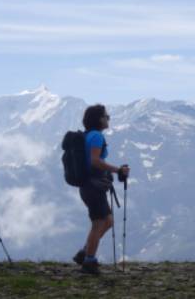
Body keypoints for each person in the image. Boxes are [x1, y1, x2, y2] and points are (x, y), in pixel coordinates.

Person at [73, 104, 129, 275]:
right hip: (93, 187)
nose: (108, 119)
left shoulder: (87, 135)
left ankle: (85, 252)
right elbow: (95, 161)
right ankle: (89, 262)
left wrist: (107, 172)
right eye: (106, 116)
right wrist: (117, 170)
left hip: (89, 186)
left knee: (108, 221)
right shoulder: (96, 136)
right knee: (99, 223)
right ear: (99, 119)